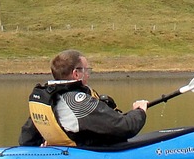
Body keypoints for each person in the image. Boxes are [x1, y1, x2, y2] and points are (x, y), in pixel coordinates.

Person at [18, 49, 149, 147]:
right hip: (84, 154)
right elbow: (125, 127)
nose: (88, 74)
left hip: (65, 152)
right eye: (87, 70)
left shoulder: (46, 98)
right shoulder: (76, 101)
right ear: (76, 74)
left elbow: (26, 140)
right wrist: (139, 111)